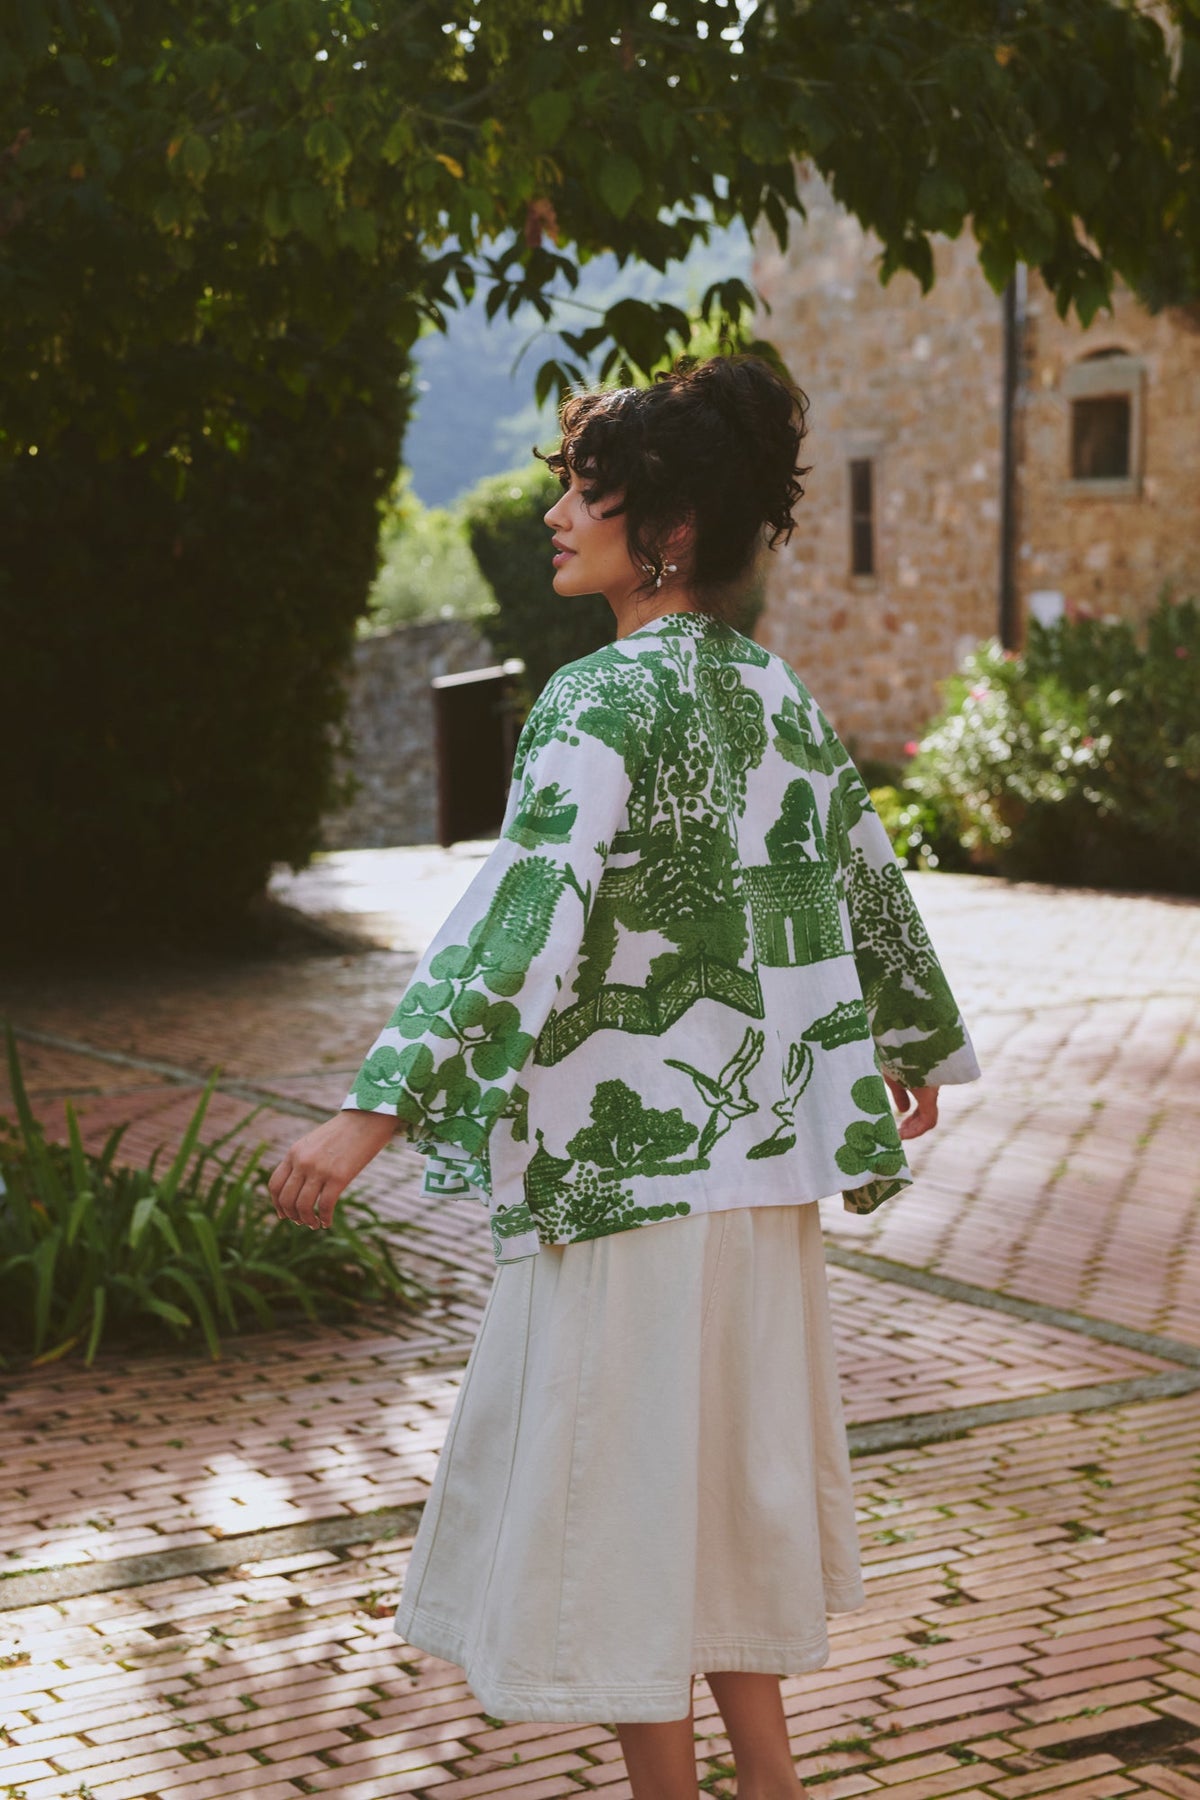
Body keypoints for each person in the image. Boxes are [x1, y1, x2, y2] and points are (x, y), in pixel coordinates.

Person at [269, 355, 981, 1800]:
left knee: (620, 1518)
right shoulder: (774, 692)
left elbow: (522, 912)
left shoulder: (597, 701)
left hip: (626, 1181)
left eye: (584, 494)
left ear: (665, 529)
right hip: (758, 1180)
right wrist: (903, 1044)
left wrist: (370, 1111)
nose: (555, 516)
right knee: (716, 1501)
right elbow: (861, 875)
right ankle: (771, 1785)